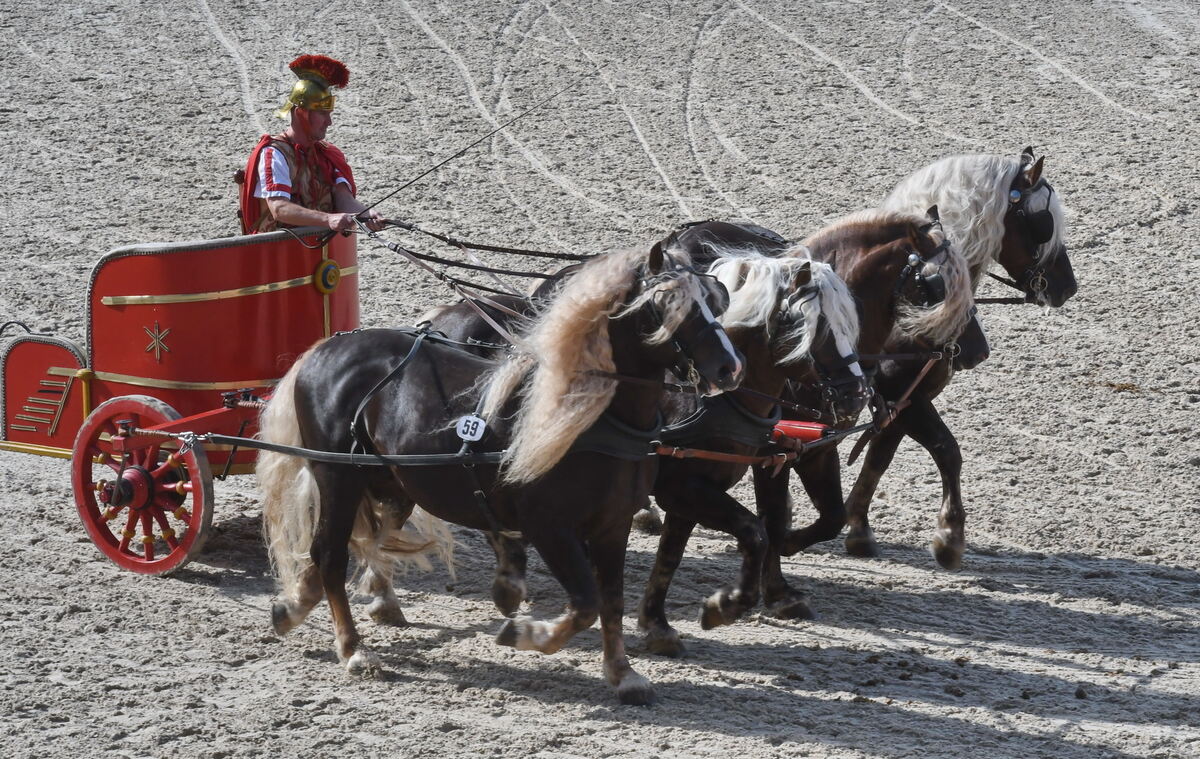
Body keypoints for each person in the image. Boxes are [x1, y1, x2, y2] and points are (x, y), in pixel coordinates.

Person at [238, 55, 386, 235]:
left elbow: (343, 199)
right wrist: (328, 219)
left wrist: (365, 214)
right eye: (323, 114)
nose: (329, 122)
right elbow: (279, 208)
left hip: (324, 254)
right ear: (301, 113)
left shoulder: (327, 154)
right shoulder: (274, 154)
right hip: (279, 255)